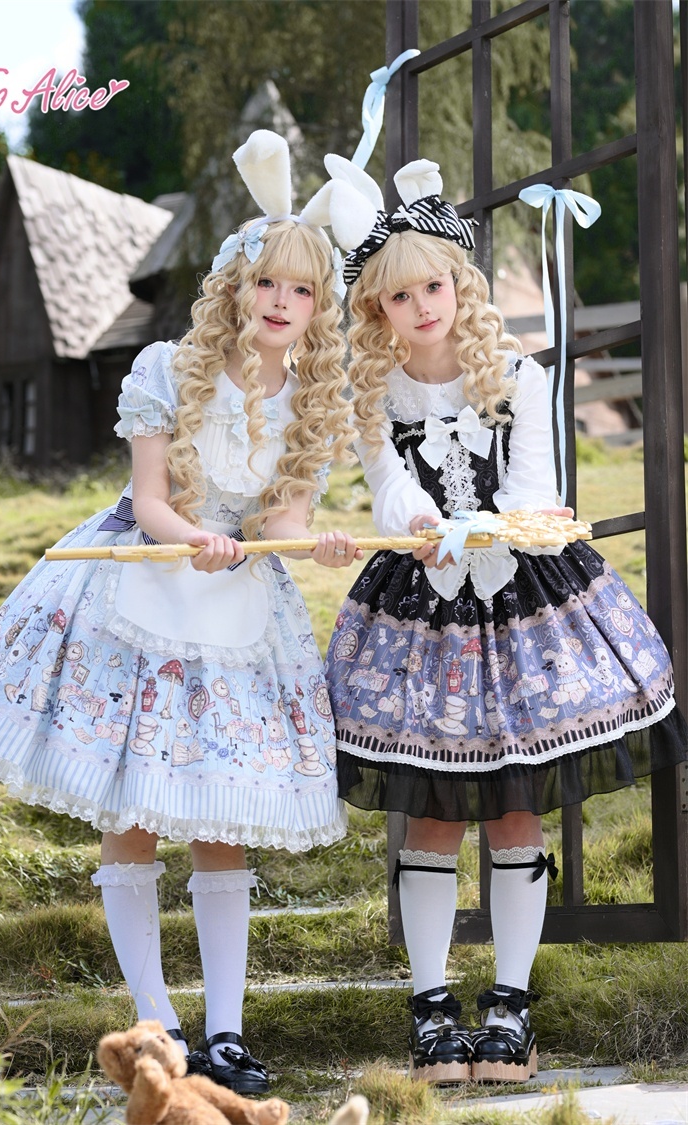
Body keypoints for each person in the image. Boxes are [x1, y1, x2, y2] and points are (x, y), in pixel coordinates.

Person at [0, 130, 363, 1094]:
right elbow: (152, 499)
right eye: (267, 282)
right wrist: (193, 537)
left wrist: (316, 545)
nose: (281, 302)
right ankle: (157, 1026)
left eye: (301, 290)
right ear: (236, 286)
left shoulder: (311, 401)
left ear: (318, 306)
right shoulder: (168, 368)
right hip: (147, 584)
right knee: (135, 810)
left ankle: (227, 1033)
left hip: (240, 610)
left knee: (222, 819)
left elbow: (284, 521)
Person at [315, 155, 688, 1084]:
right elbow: (388, 488)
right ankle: (432, 1006)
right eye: (400, 296)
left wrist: (487, 525)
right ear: (377, 308)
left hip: (522, 599)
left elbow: (534, 487)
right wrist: (421, 525)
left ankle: (510, 1006)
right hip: (421, 608)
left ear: (460, 284)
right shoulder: (375, 394)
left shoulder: (516, 374)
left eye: (433, 287)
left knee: (516, 803)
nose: (421, 307)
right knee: (433, 809)